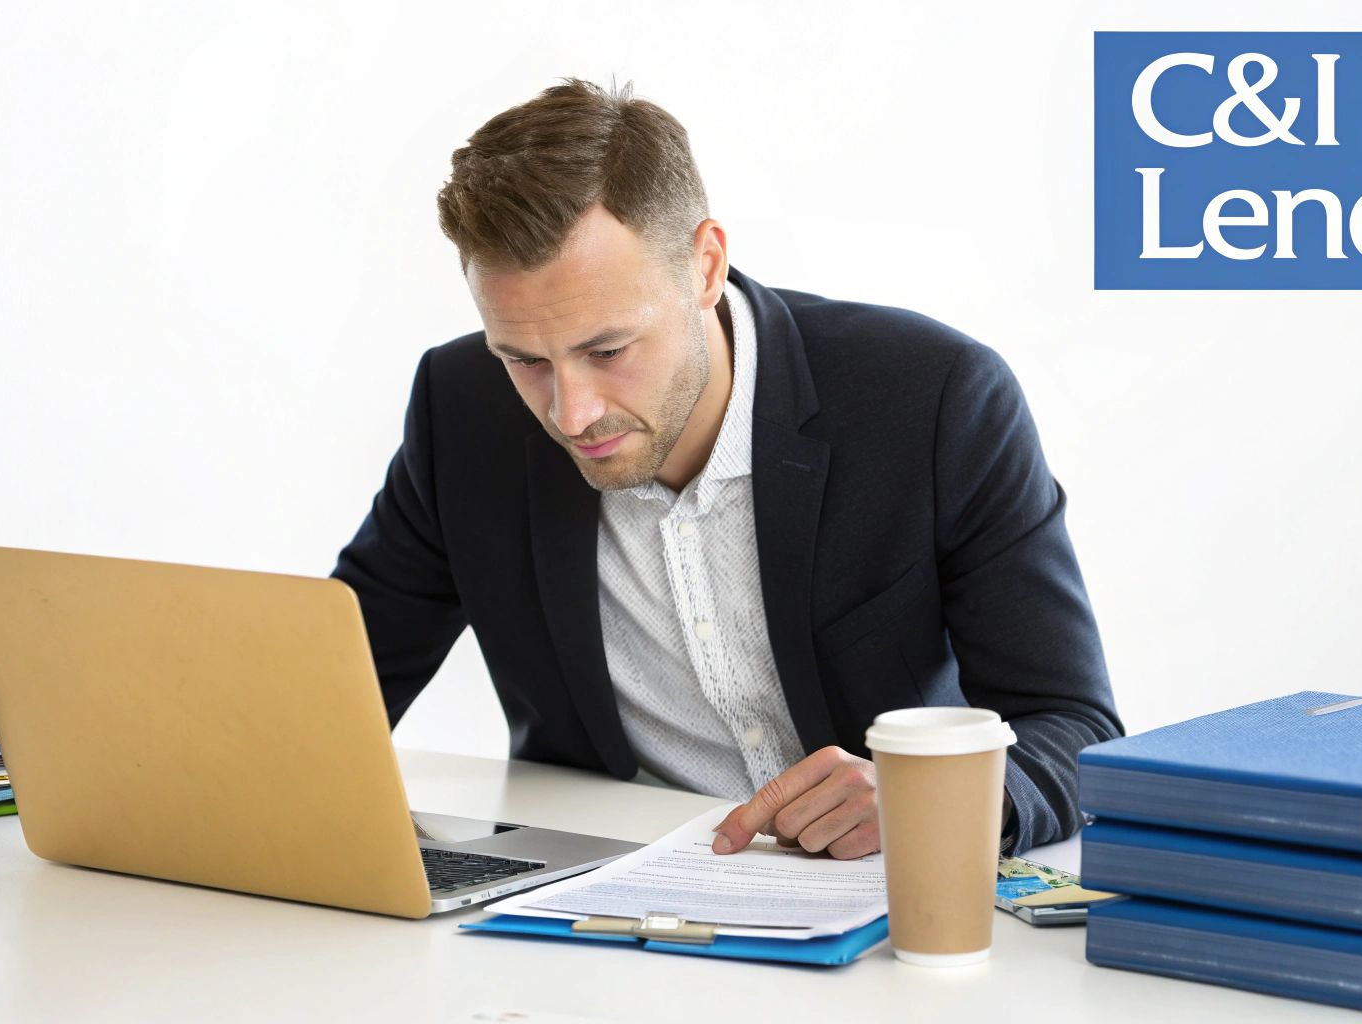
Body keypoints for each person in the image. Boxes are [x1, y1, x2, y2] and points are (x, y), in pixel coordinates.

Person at [331, 78, 1120, 860]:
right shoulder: (461, 410)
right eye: (525, 360)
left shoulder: (934, 399)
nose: (570, 414)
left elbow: (1077, 731)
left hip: (877, 906)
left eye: (607, 351)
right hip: (593, 912)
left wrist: (931, 801)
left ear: (705, 266)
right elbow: (324, 696)